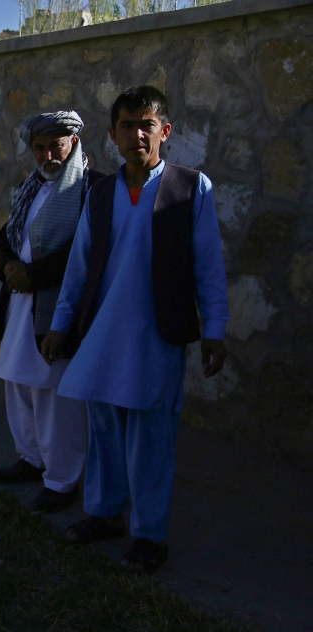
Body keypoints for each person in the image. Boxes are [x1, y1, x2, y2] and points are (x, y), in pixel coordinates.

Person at [41, 86, 229, 573]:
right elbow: (79, 268)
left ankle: (149, 536)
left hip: (157, 337)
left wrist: (216, 329)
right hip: (102, 336)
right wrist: (61, 325)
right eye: (127, 125)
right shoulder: (101, 193)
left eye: (147, 124)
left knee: (150, 440)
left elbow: (209, 267)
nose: (137, 134)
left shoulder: (192, 189)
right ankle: (104, 515)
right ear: (112, 135)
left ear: (164, 131)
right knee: (103, 431)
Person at [0, 111, 104, 513]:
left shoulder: (93, 188)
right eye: (40, 147)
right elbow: (5, 235)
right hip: (20, 303)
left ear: (73, 142)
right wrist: (7, 266)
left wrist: (33, 275)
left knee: (55, 394)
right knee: (18, 384)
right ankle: (30, 458)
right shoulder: (30, 186)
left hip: (56, 310)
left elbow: (85, 254)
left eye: (56, 145)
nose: (48, 154)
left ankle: (61, 480)